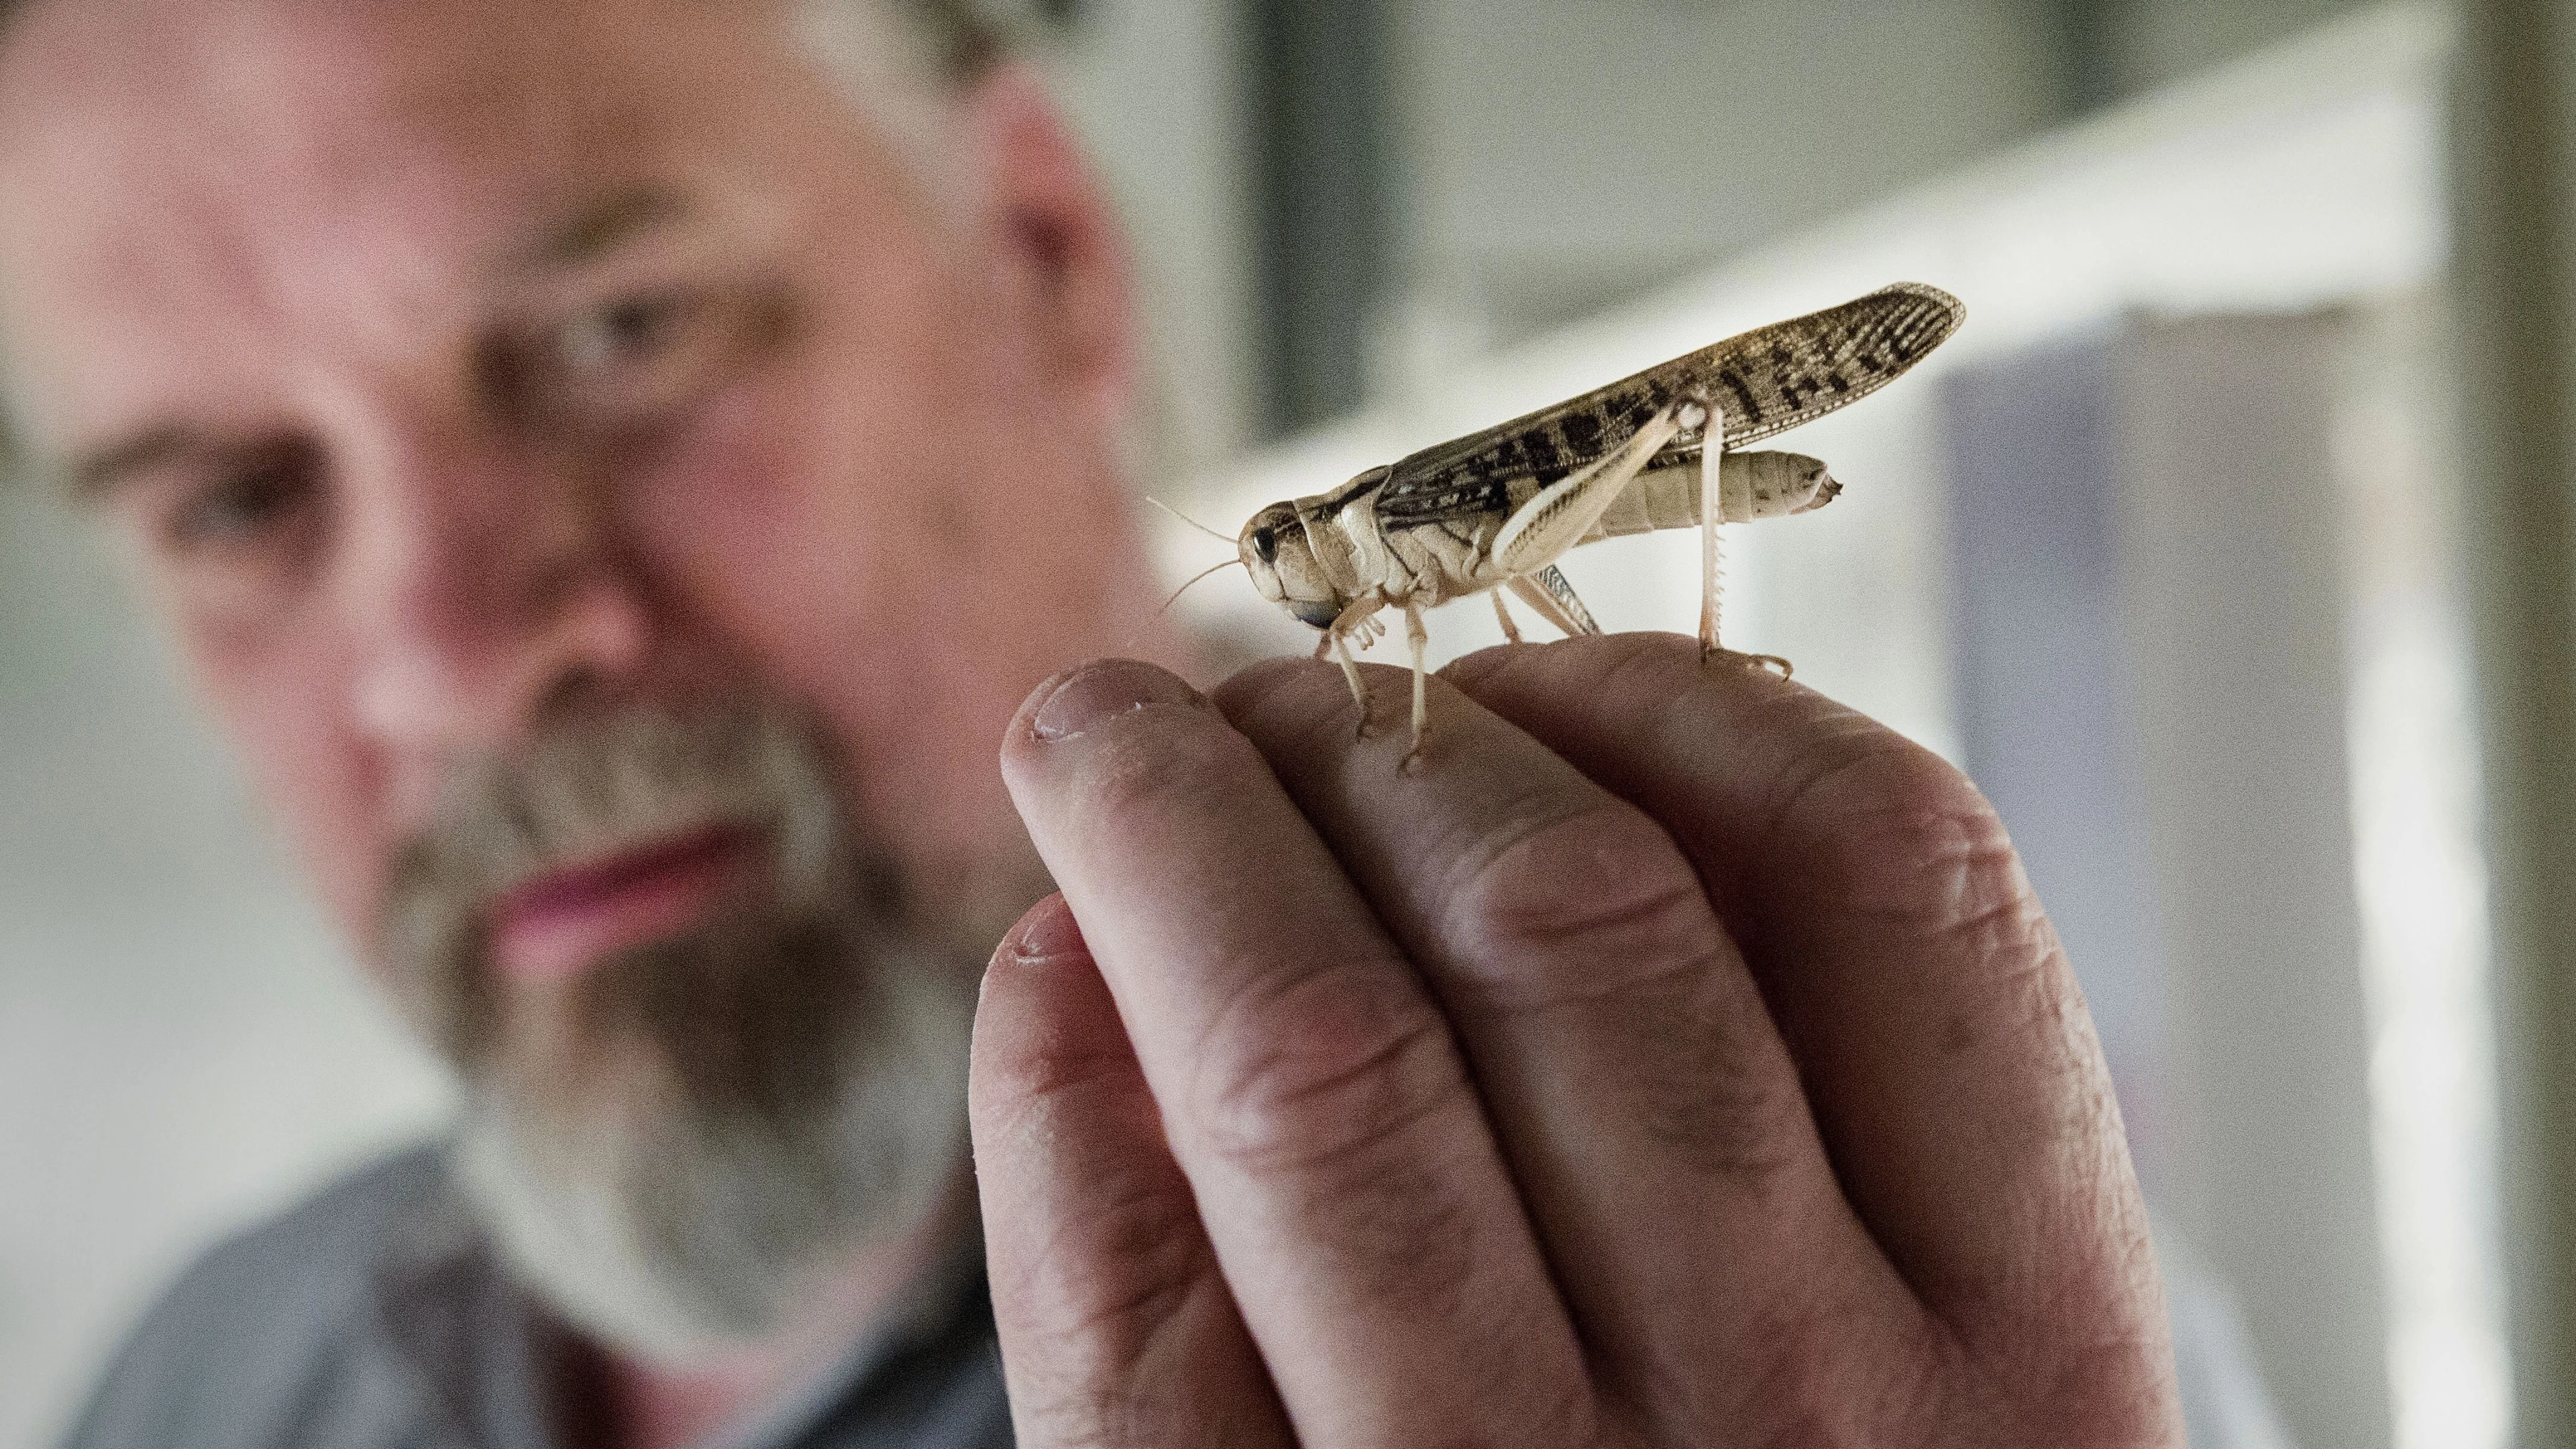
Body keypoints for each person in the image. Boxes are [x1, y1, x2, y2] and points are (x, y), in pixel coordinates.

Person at [0, 0, 2183, 1444]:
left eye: (618, 333)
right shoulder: (210, 1379)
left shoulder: (1807, 1259)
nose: (447, 653)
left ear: (1048, 256)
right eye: (234, 499)